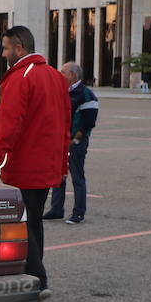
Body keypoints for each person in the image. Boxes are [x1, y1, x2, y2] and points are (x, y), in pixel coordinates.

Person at [0, 25, 70, 302]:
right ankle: (31, 278)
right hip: (46, 167)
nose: (3, 53)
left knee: (22, 224)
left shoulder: (20, 77)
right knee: (33, 222)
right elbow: (64, 126)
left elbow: (6, 130)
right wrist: (61, 165)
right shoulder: (57, 78)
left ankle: (36, 279)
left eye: (6, 48)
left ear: (19, 49)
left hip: (22, 168)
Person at [46, 61, 99, 225]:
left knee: (77, 176)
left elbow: (89, 121)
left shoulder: (86, 94)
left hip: (76, 142)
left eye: (63, 72)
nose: (59, 74)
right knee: (57, 175)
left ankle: (78, 212)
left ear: (73, 75)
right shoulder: (62, 92)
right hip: (60, 141)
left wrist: (76, 139)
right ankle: (56, 209)